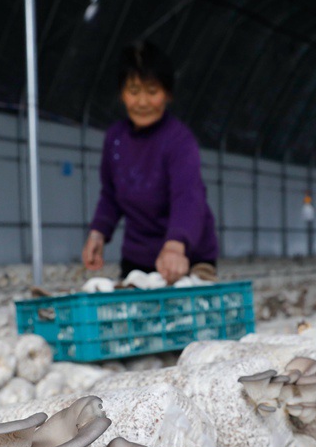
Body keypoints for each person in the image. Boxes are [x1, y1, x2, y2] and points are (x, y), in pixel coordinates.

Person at [81, 40, 219, 285]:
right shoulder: (115, 139)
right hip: (139, 256)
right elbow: (111, 195)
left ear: (168, 94)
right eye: (134, 91)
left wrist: (176, 245)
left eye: (152, 91)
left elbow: (188, 197)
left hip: (185, 254)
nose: (142, 102)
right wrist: (98, 234)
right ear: (122, 94)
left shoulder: (178, 140)